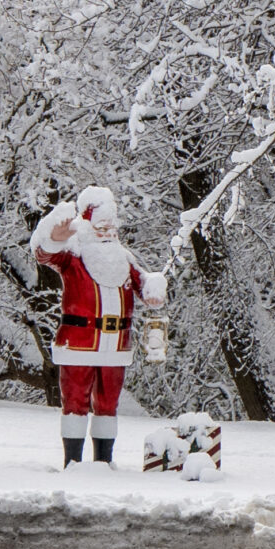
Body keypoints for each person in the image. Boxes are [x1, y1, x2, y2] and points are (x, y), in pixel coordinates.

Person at [30, 187, 168, 468]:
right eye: (101, 223)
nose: (107, 229)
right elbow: (45, 254)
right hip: (79, 343)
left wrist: (153, 288)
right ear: (88, 222)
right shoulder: (74, 253)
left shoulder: (123, 258)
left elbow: (144, 288)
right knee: (75, 403)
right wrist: (54, 235)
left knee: (108, 405)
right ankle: (73, 462)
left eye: (111, 224)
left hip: (116, 345)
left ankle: (104, 461)